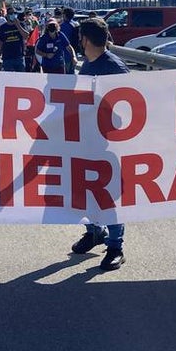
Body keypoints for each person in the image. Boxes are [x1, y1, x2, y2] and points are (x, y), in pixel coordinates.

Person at [69, 16, 131, 271]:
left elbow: (129, 110)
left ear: (85, 39)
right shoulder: (87, 66)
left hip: (109, 144)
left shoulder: (115, 69)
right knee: (83, 190)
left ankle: (116, 245)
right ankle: (95, 231)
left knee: (108, 195)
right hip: (88, 141)